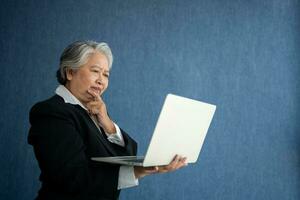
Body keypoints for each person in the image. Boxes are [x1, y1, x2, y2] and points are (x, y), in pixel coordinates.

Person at [28, 40, 187, 200]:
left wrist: (108, 125)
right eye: (95, 71)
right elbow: (73, 178)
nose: (101, 80)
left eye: (106, 74)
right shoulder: (51, 112)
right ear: (70, 72)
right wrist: (138, 171)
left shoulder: (93, 111)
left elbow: (128, 156)